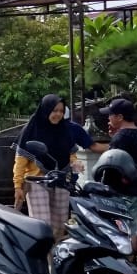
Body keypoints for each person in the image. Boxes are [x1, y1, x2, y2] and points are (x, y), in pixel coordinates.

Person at [19, 94, 88, 233]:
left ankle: (55, 254)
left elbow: (71, 155)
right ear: (46, 110)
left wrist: (76, 164)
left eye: (61, 111)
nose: (58, 114)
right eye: (54, 110)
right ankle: (43, 255)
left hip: (61, 179)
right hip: (37, 181)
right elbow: (20, 160)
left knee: (60, 226)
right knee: (43, 225)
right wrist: (17, 186)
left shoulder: (65, 130)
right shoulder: (31, 129)